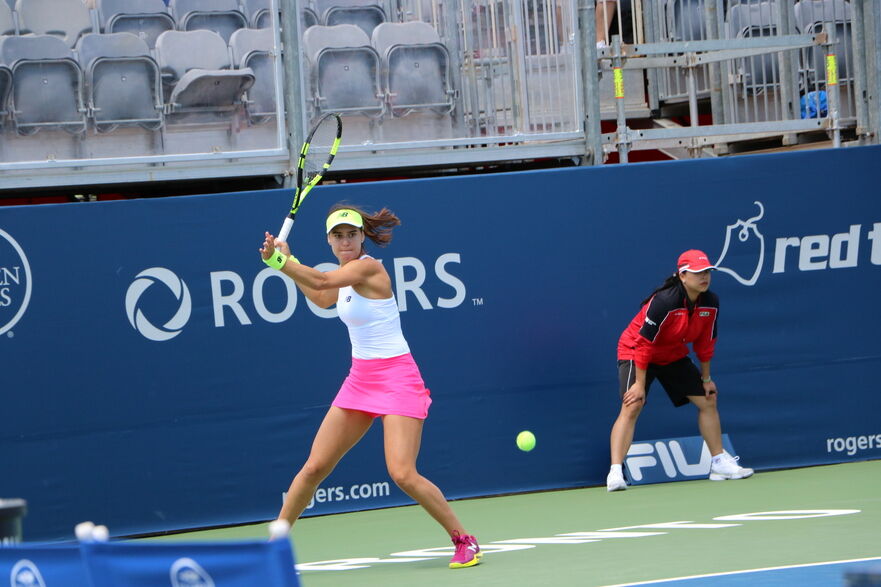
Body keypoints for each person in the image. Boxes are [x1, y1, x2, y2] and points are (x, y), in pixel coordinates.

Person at [259, 204, 481, 569]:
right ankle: (273, 546)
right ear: (329, 240)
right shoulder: (345, 274)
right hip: (360, 380)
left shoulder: (368, 267)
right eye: (338, 235)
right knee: (314, 468)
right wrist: (288, 262)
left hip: (397, 378)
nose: (345, 241)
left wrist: (279, 263)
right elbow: (320, 296)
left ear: (362, 237)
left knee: (402, 473)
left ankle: (464, 539)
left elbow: (321, 282)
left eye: (351, 234)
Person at [606, 250, 754, 492]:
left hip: (671, 353)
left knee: (708, 400)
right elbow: (644, 344)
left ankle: (719, 463)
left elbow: (705, 343)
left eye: (707, 272)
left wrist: (706, 378)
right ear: (683, 275)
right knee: (632, 404)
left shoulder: (710, 302)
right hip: (636, 349)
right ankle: (615, 472)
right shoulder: (664, 301)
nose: (704, 277)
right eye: (698, 273)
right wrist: (639, 384)